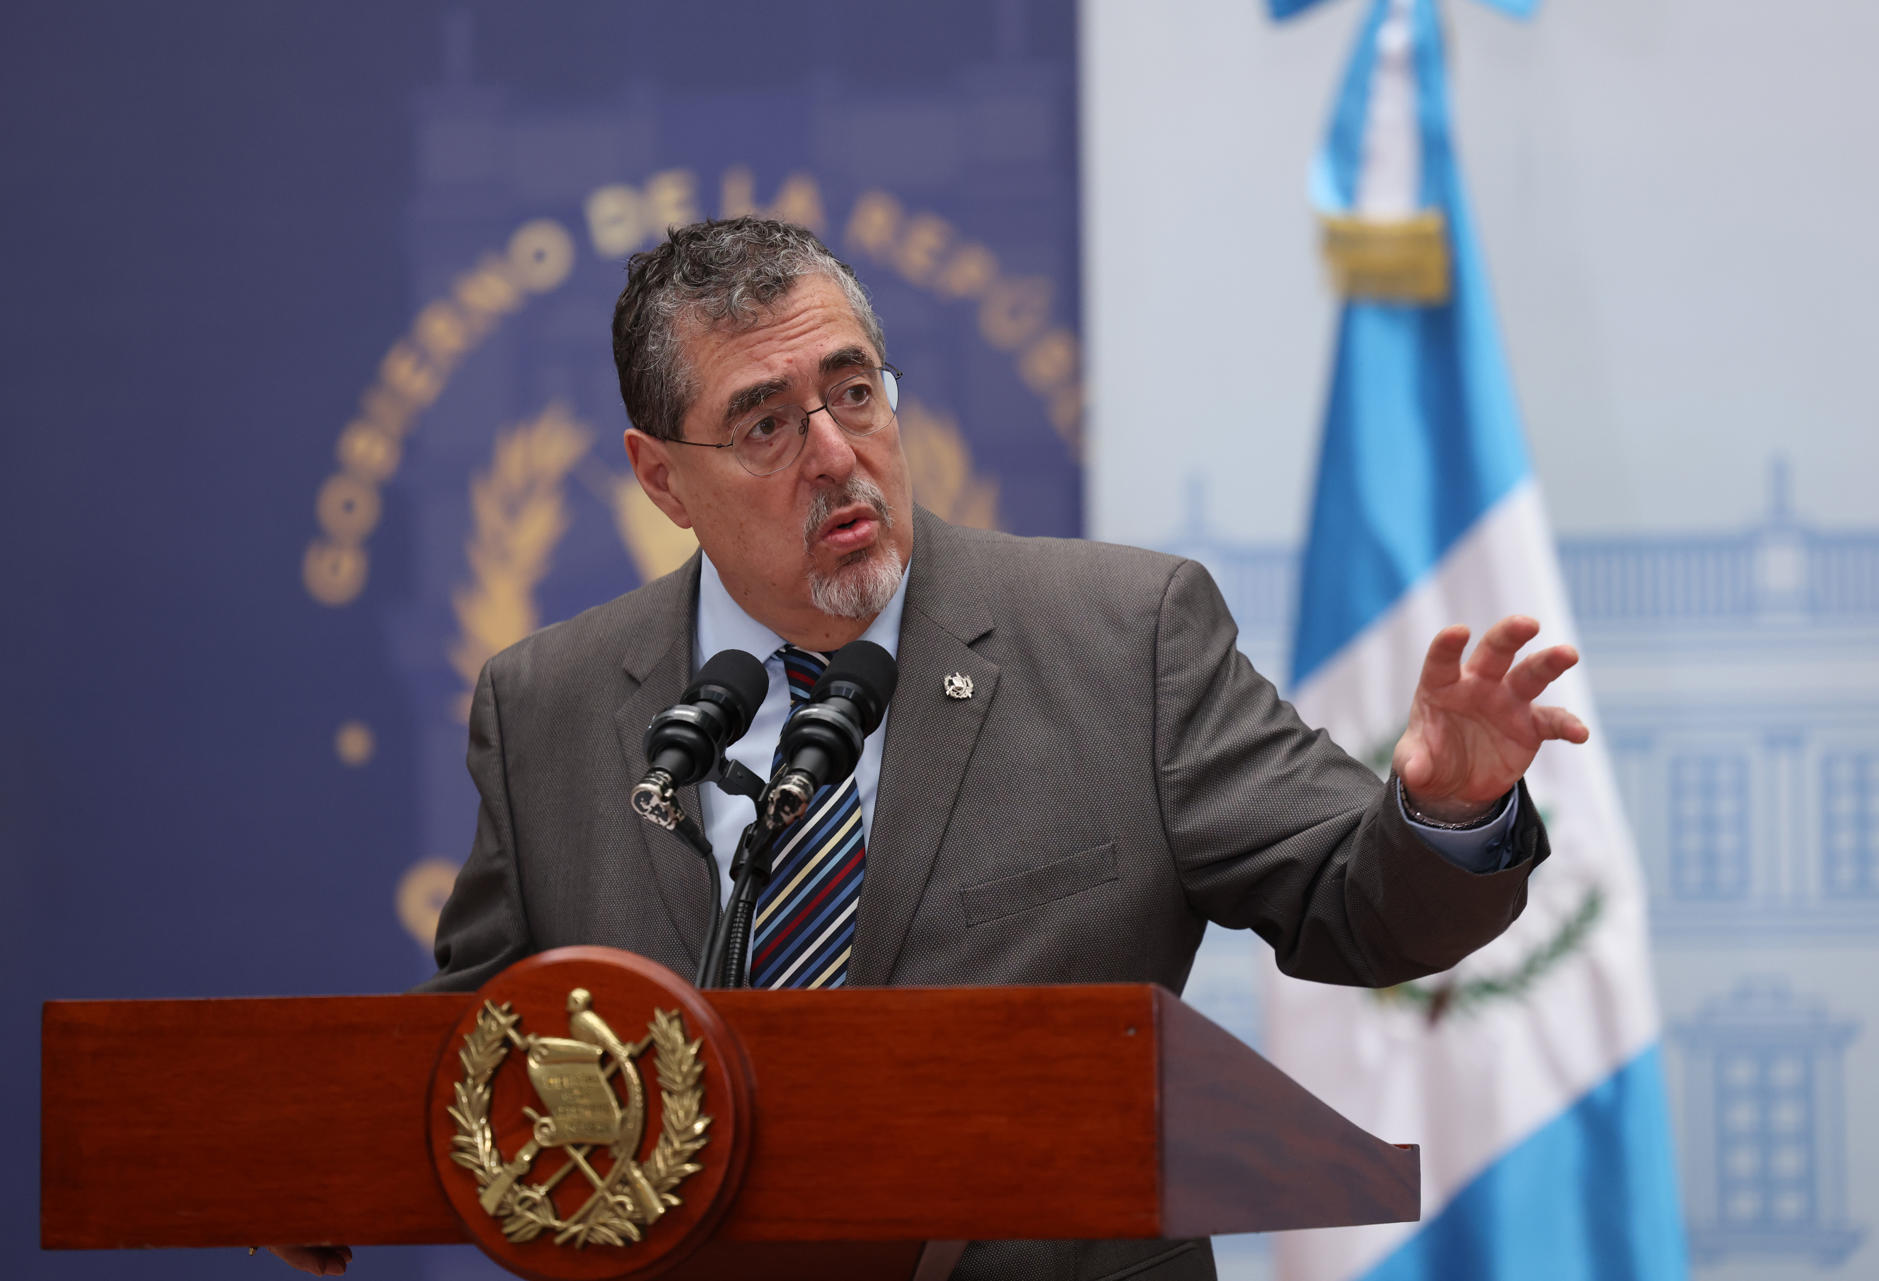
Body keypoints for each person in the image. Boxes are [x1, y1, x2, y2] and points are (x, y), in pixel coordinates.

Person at [270, 217, 1587, 1279]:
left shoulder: (1121, 634)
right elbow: (488, 1032)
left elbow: (1350, 904)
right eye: (767, 421)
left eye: (856, 390)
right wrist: (326, 1147)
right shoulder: (546, 701)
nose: (838, 454)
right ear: (662, 478)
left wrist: (1439, 812)